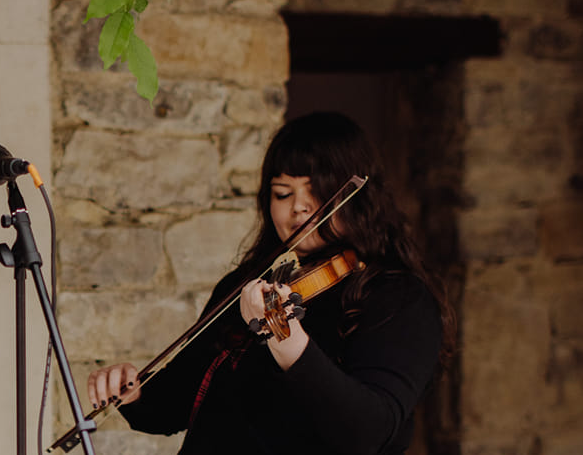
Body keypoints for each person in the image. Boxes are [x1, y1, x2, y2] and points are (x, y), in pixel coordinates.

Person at [85, 112, 455, 454]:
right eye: (283, 193)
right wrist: (132, 393)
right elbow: (177, 406)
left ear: (358, 199)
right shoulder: (248, 285)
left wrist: (286, 339)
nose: (299, 207)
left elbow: (369, 432)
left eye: (318, 190)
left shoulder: (398, 298)